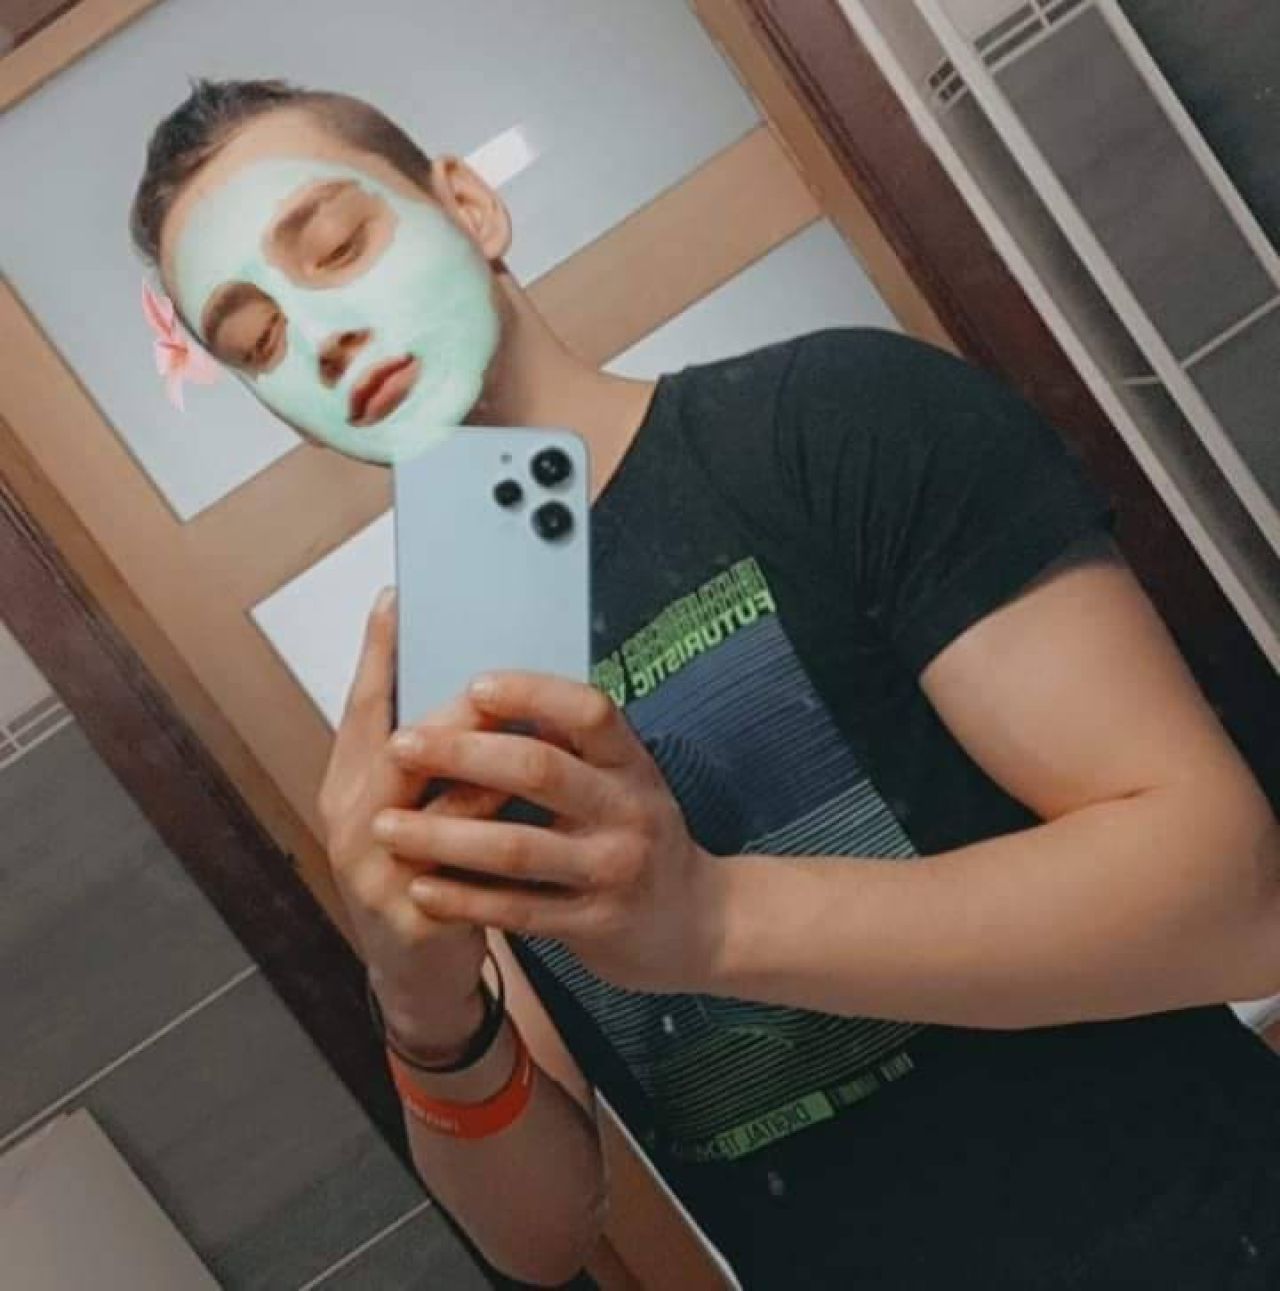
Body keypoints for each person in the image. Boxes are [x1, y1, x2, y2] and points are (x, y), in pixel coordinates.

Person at [129, 78, 1280, 1289]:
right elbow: (543, 1238)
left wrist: (716, 923)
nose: (319, 334)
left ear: (467, 205)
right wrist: (423, 1008)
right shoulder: (445, 697)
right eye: (257, 343)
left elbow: (1235, 901)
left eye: (336, 245)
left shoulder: (835, 422)